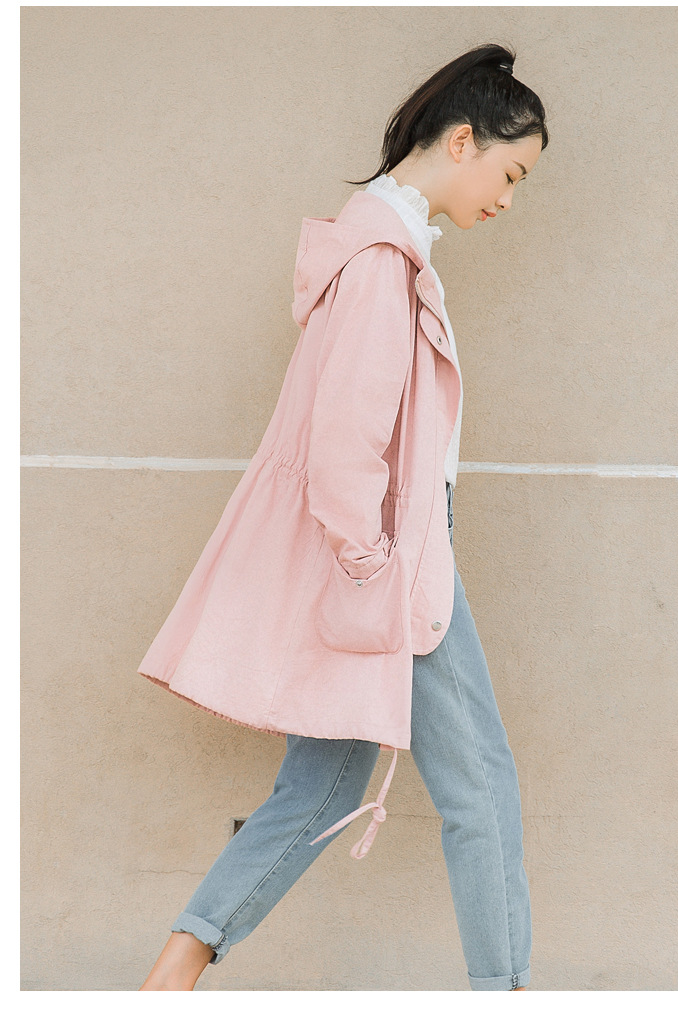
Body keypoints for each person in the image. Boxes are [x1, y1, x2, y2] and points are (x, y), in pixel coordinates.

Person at [138, 42, 548, 992]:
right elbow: (343, 447)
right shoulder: (380, 266)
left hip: (375, 551)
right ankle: (508, 994)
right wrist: (374, 569)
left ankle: (167, 981)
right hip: (388, 559)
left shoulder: (380, 253)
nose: (508, 199)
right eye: (511, 173)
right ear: (463, 140)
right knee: (482, 786)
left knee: (319, 789)